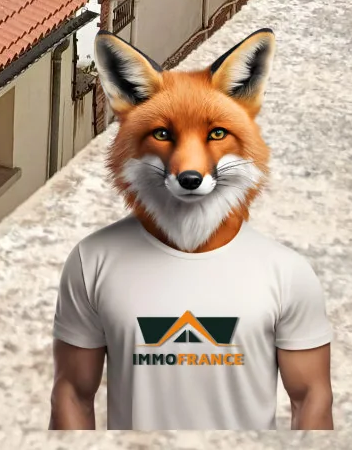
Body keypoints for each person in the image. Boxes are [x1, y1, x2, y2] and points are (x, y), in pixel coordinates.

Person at [50, 29, 332, 430]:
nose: (190, 169)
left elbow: (313, 398)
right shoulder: (94, 260)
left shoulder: (286, 272)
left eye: (216, 134)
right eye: (163, 135)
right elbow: (72, 393)